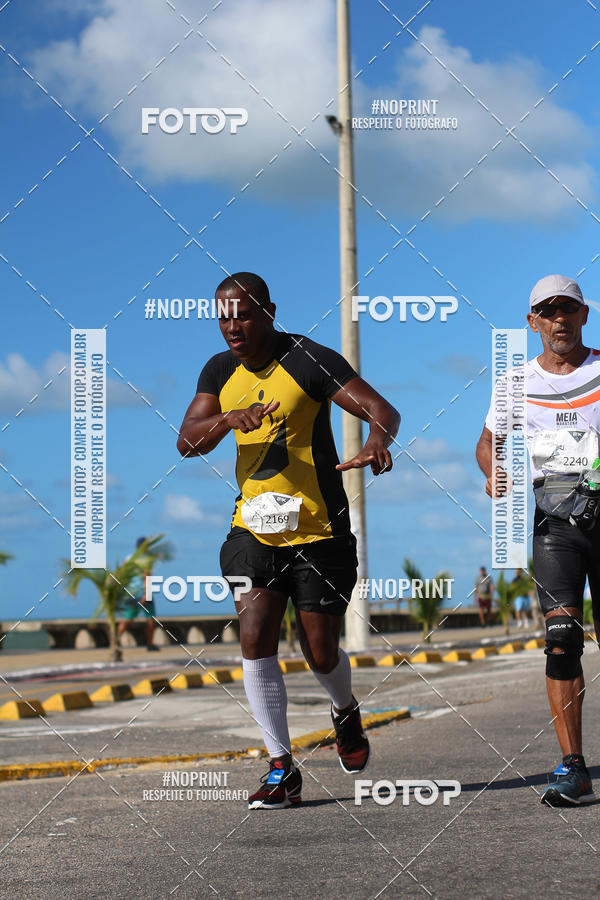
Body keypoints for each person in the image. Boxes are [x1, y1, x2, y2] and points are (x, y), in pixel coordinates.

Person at [177, 272, 400, 809]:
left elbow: (382, 410)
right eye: (224, 316)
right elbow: (187, 442)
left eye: (244, 314)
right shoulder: (220, 370)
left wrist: (375, 440)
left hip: (319, 531)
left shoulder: (306, 359)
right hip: (252, 529)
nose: (233, 326)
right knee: (254, 637)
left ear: (270, 312)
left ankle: (344, 710)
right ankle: (282, 767)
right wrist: (229, 419)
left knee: (320, 651)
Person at [476, 274, 600, 806]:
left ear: (584, 316)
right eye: (547, 312)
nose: (559, 321)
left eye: (567, 310)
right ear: (532, 323)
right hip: (554, 523)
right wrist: (494, 471)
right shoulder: (513, 384)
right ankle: (573, 767)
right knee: (562, 640)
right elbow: (487, 443)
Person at [117, 537, 160, 652]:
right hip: (143, 592)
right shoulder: (147, 560)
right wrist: (146, 594)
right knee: (151, 620)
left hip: (130, 593)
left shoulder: (129, 559)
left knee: (127, 619)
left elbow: (122, 574)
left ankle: (116, 641)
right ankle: (150, 644)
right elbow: (147, 577)